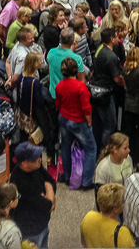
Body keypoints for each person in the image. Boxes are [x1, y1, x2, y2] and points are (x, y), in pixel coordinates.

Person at [55, 56, 96, 190]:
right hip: (78, 121)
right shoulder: (81, 86)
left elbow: (58, 104)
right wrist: (89, 121)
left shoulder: (59, 85)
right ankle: (86, 181)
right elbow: (86, 107)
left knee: (66, 147)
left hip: (64, 118)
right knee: (91, 148)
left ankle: (67, 176)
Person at [9, 142, 55, 249]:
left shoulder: (36, 167)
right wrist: (49, 191)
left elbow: (51, 181)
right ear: (24, 163)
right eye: (35, 158)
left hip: (43, 225)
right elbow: (49, 205)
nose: (40, 159)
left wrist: (49, 191)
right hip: (31, 232)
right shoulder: (21, 183)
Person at [80, 183, 135, 248]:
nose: (125, 203)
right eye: (123, 201)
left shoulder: (88, 217)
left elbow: (84, 243)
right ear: (115, 209)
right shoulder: (122, 233)